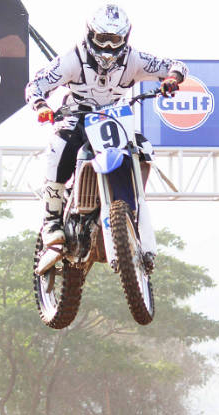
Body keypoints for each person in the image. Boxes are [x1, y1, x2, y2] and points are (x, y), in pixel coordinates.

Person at [26, 3, 187, 270]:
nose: (109, 47)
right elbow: (37, 84)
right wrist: (41, 105)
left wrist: (172, 78)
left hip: (115, 118)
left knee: (142, 147)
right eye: (103, 39)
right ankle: (52, 220)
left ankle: (129, 204)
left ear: (125, 37)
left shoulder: (134, 59)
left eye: (115, 40)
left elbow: (175, 65)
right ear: (90, 34)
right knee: (61, 144)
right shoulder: (73, 58)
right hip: (78, 117)